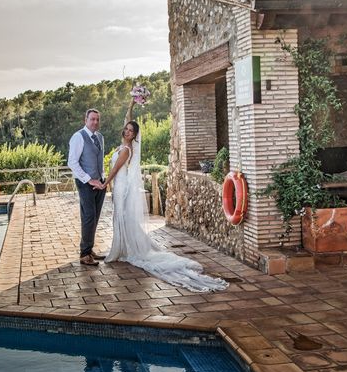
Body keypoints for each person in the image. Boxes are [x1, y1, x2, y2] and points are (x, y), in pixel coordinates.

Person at [103, 120, 228, 293]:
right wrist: (133, 102)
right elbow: (127, 117)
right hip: (119, 185)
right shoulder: (121, 146)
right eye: (126, 129)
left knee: (121, 216)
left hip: (121, 186)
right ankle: (122, 248)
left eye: (131, 131)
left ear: (134, 135)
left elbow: (116, 169)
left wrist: (104, 184)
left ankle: (122, 250)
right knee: (120, 216)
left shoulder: (126, 150)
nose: (127, 132)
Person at [68, 108, 106, 266]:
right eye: (92, 119)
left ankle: (89, 249)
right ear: (86, 120)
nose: (95, 122)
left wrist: (102, 179)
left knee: (95, 217)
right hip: (85, 184)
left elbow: (99, 160)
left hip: (100, 183)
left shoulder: (100, 137)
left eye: (97, 119)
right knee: (89, 216)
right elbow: (72, 162)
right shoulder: (78, 137)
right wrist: (89, 180)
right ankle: (84, 254)